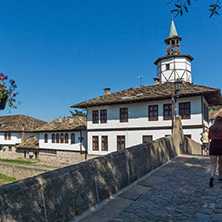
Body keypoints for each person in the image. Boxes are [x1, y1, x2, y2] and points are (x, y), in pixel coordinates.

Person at [208, 116, 222, 187]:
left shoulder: (211, 128)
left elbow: (209, 137)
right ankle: (220, 177)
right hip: (221, 144)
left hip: (213, 145)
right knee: (220, 163)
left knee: (213, 164)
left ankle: (212, 176)